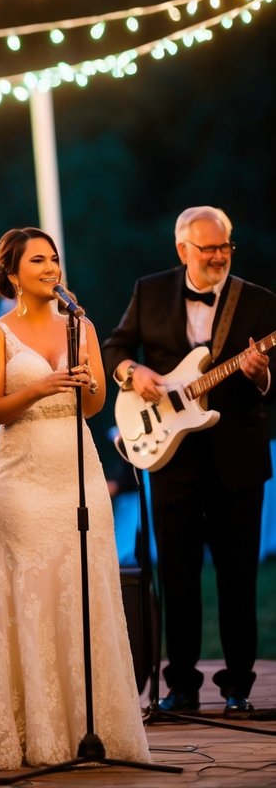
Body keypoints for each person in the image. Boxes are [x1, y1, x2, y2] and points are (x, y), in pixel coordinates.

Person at [0, 227, 150, 770]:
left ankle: (87, 728)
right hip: (20, 477)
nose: (50, 268)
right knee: (31, 594)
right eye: (38, 260)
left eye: (54, 259)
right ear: (13, 273)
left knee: (82, 589)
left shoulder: (81, 325)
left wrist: (89, 379)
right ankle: (32, 732)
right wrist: (41, 388)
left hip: (77, 469)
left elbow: (92, 406)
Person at [102, 204, 276, 716]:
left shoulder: (262, 302)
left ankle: (239, 685)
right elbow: (114, 348)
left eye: (225, 247)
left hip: (236, 457)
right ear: (183, 250)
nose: (219, 256)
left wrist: (258, 372)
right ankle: (179, 684)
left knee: (238, 573)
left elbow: (274, 383)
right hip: (168, 455)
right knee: (175, 572)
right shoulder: (150, 289)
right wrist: (132, 373)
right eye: (209, 248)